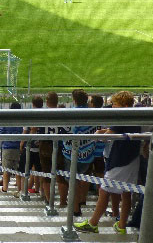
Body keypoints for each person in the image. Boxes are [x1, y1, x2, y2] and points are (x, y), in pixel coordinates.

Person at [75, 91, 140, 235]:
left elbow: (110, 134)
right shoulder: (134, 115)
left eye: (115, 104)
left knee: (104, 191)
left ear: (124, 105)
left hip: (120, 160)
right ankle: (121, 225)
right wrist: (104, 131)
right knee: (126, 192)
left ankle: (92, 224)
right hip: (132, 158)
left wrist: (99, 135)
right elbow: (116, 130)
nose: (112, 107)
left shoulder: (121, 116)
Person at [62, 89, 95, 217]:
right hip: (88, 153)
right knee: (82, 179)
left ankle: (75, 209)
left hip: (72, 153)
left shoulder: (71, 113)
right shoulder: (93, 113)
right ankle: (80, 202)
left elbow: (67, 132)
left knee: (73, 181)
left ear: (74, 100)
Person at [0, 102, 23, 194]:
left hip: (7, 147)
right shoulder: (22, 120)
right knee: (18, 170)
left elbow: (1, 133)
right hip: (19, 148)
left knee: (6, 170)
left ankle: (5, 188)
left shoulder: (6, 120)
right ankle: (19, 189)